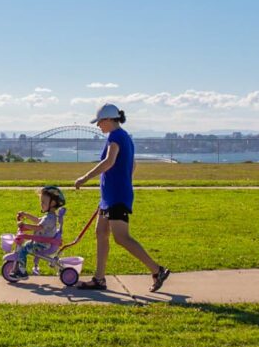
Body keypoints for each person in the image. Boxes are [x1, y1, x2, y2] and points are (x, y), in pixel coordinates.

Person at [74, 104, 170, 292]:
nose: (98, 126)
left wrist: (85, 178)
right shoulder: (123, 136)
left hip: (116, 197)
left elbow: (109, 162)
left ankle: (157, 270)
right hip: (110, 196)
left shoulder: (116, 137)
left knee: (121, 238)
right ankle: (99, 279)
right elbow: (132, 164)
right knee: (101, 233)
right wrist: (118, 183)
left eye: (100, 122)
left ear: (109, 120)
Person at [10, 186, 65, 279]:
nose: (41, 204)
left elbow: (39, 227)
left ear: (53, 203)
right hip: (42, 242)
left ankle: (22, 272)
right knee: (26, 246)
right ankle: (20, 269)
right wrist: (25, 214)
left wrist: (25, 225)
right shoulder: (49, 216)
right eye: (41, 202)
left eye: (43, 202)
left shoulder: (49, 218)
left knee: (23, 250)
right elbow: (38, 220)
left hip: (42, 245)